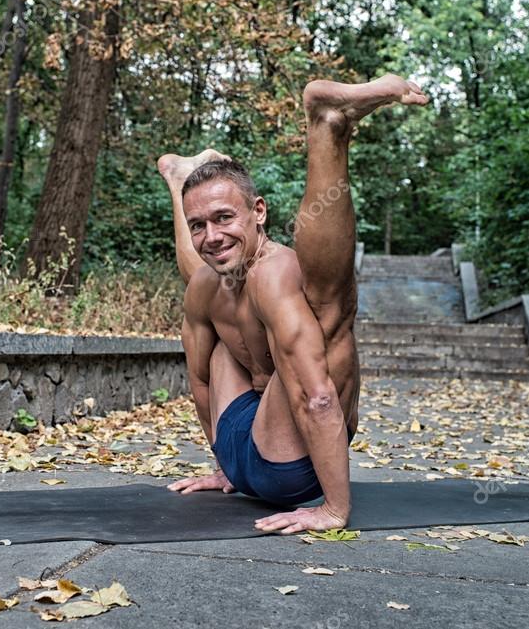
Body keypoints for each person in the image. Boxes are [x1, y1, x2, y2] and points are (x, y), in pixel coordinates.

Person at [155, 75, 428, 533]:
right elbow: (318, 398)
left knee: (213, 279)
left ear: (259, 212)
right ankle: (328, 127)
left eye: (224, 216)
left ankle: (179, 179)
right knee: (324, 312)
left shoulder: (239, 280)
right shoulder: (265, 276)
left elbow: (201, 382)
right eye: (196, 223)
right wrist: (335, 509)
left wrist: (223, 464)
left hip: (237, 450)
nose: (210, 232)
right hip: (283, 470)